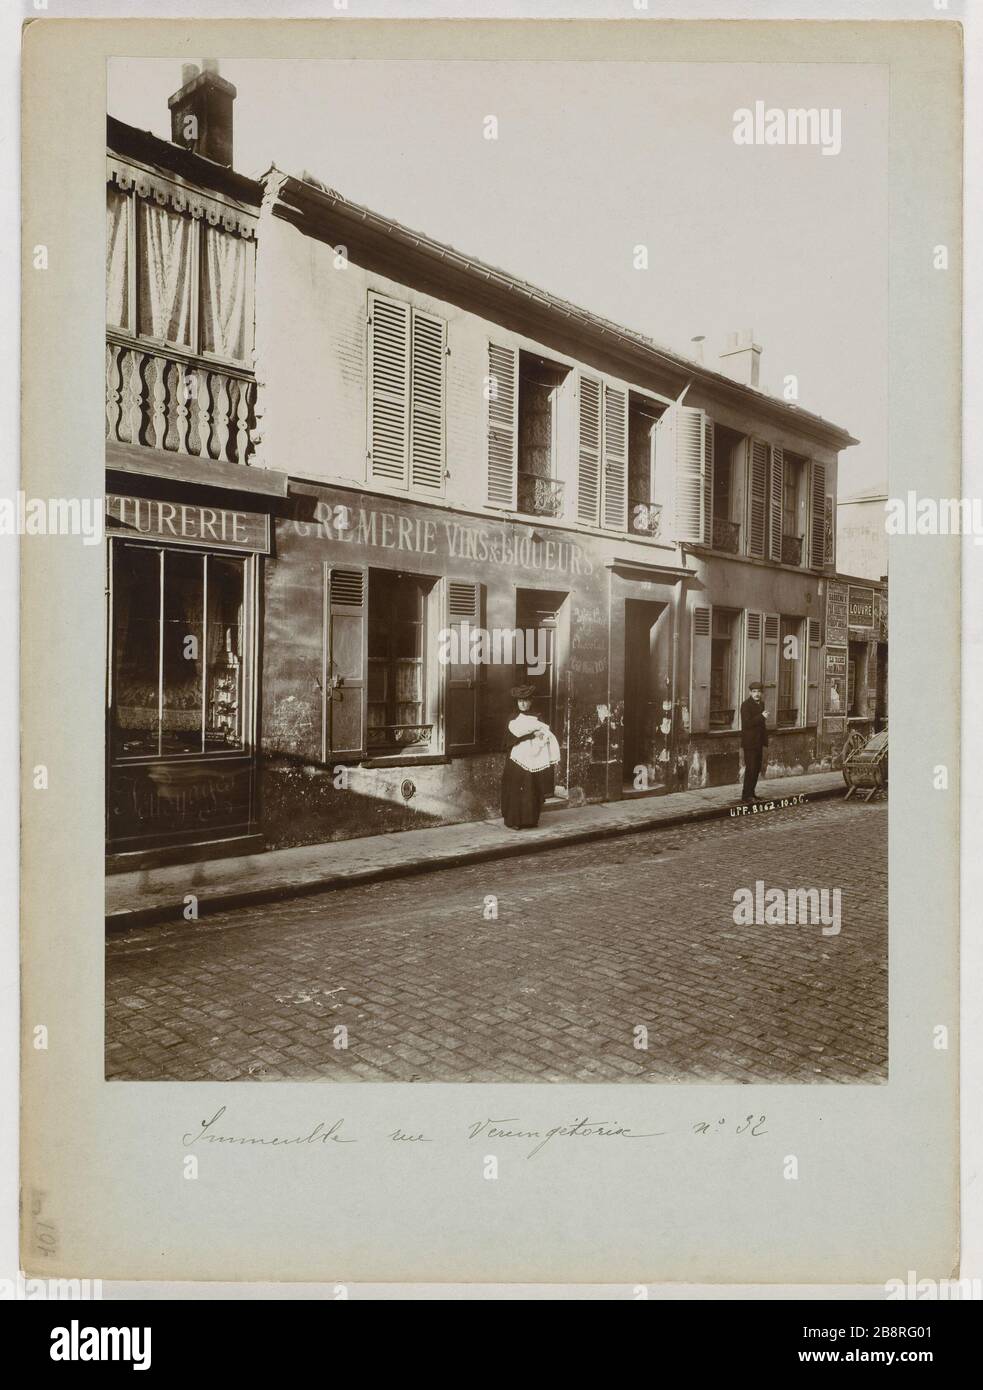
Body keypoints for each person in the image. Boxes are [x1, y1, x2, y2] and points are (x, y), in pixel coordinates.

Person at [501, 684, 561, 830]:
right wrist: (530, 734)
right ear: (516, 702)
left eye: (526, 700)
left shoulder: (537, 717)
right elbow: (508, 740)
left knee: (531, 787)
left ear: (531, 701)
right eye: (520, 701)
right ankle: (514, 820)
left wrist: (541, 738)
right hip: (516, 760)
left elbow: (546, 734)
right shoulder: (513, 718)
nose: (522, 703)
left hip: (534, 758)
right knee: (516, 787)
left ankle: (530, 819)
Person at [739, 681, 769, 802]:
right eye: (754, 691)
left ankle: (752, 793)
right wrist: (762, 716)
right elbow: (747, 723)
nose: (757, 694)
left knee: (756, 769)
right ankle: (746, 795)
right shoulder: (745, 705)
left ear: (761, 693)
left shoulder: (761, 704)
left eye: (759, 692)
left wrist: (765, 741)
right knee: (750, 768)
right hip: (750, 743)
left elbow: (762, 726)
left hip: (758, 743)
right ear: (750, 692)